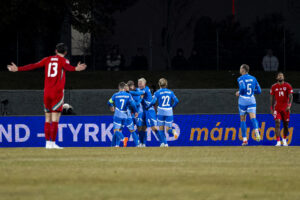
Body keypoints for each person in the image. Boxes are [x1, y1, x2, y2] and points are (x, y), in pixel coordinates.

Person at [7, 43, 87, 149]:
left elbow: (33, 65)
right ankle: (53, 143)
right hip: (57, 93)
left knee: (47, 119)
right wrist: (76, 69)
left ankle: (47, 143)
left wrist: (18, 69)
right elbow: (68, 67)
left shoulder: (47, 59)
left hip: (47, 92)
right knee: (55, 119)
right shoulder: (64, 60)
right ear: (65, 52)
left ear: (55, 51)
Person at [146, 78, 179, 147]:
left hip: (161, 111)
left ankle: (165, 144)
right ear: (166, 84)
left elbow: (153, 102)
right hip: (169, 111)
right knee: (168, 129)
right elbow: (176, 101)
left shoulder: (157, 92)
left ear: (159, 84)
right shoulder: (170, 92)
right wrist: (172, 107)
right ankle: (173, 131)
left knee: (161, 129)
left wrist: (148, 106)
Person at [235, 64, 261, 146]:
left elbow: (242, 89)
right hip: (251, 100)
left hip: (243, 100)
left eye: (240, 68)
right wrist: (252, 92)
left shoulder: (240, 78)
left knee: (243, 119)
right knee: (253, 118)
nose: (239, 70)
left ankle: (245, 140)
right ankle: (257, 131)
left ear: (243, 69)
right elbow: (259, 91)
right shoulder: (253, 78)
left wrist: (239, 93)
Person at [108, 82, 138, 147]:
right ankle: (137, 145)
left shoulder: (115, 95)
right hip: (126, 115)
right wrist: (136, 111)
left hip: (118, 114)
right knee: (132, 130)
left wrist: (111, 106)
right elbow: (133, 104)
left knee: (116, 130)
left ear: (119, 87)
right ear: (124, 88)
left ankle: (123, 139)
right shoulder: (128, 95)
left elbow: (109, 102)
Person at [136, 78, 162, 147]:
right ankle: (142, 143)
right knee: (142, 127)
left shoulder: (146, 89)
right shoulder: (139, 89)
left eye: (141, 83)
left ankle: (163, 142)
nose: (139, 84)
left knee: (154, 127)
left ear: (144, 84)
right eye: (138, 83)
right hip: (144, 111)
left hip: (150, 110)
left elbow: (140, 97)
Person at [270, 72, 293, 146]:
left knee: (286, 125)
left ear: (283, 77)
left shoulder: (287, 86)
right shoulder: (274, 86)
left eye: (282, 76)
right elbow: (272, 98)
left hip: (285, 108)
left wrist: (289, 105)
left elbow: (291, 96)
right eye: (279, 76)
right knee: (277, 122)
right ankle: (278, 141)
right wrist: (271, 108)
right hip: (277, 108)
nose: (280, 77)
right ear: (277, 78)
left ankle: (284, 139)